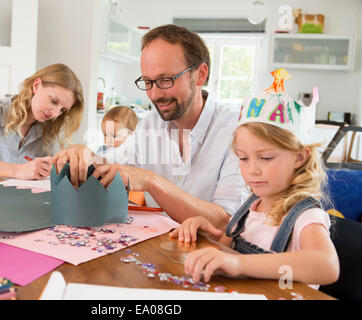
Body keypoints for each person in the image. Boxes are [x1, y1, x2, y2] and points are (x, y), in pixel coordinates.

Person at [51, 24, 247, 230]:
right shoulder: (151, 124)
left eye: (165, 80)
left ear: (200, 75)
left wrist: (152, 182)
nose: (154, 95)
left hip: (209, 255)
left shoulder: (236, 130)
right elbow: (112, 164)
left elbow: (227, 222)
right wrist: (85, 156)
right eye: (147, 82)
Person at [171, 73, 340, 288]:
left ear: (299, 157)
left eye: (266, 158)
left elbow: (327, 266)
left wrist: (240, 263)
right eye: (243, 158)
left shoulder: (305, 216)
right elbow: (226, 252)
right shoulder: (251, 206)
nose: (252, 170)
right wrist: (206, 232)